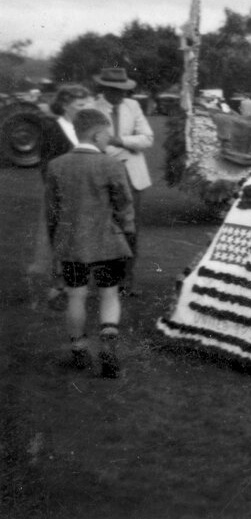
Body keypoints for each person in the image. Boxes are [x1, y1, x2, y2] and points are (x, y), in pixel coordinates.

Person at [45, 109, 135, 378]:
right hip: (107, 241)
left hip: (71, 243)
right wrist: (127, 232)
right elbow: (124, 205)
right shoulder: (112, 164)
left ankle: (79, 350)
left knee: (76, 295)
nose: (109, 139)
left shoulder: (56, 165)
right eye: (107, 133)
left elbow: (52, 212)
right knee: (109, 293)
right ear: (96, 134)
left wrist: (55, 242)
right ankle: (108, 344)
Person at [28, 84, 95, 308]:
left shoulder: (86, 129)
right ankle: (58, 287)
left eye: (86, 104)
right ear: (65, 105)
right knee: (59, 237)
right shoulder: (53, 127)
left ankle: (76, 285)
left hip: (86, 194)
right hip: (60, 194)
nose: (84, 109)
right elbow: (46, 164)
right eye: (79, 105)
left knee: (81, 239)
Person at [91, 67, 153, 295]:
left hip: (131, 176)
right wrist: (114, 151)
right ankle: (106, 280)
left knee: (131, 229)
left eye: (122, 89)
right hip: (101, 174)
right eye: (114, 89)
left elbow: (147, 138)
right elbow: (89, 142)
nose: (119, 94)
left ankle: (126, 280)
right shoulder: (91, 108)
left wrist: (119, 141)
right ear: (104, 88)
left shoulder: (133, 106)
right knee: (103, 227)